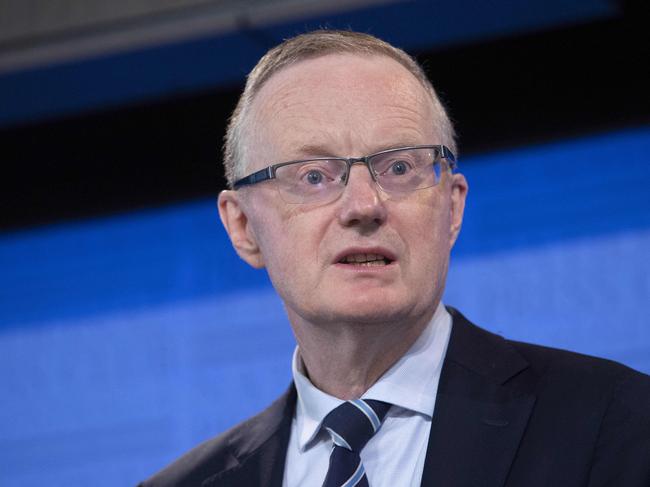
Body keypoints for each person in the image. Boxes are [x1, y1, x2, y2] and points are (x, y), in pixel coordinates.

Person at [140, 30, 650, 487]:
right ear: (243, 227)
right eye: (313, 176)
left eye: (400, 167)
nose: (364, 206)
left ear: (451, 208)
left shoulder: (617, 422)